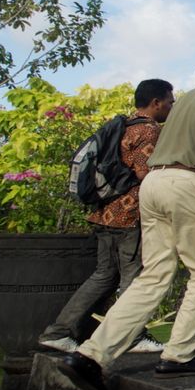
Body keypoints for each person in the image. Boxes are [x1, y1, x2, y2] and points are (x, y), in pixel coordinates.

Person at [58, 41, 195, 390]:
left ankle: (91, 355)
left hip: (153, 185)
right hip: (186, 183)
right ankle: (179, 355)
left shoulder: (186, 100)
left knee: (152, 276)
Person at [39, 79, 176, 355]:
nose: (171, 106)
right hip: (128, 215)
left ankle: (58, 333)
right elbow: (143, 175)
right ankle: (133, 336)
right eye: (170, 102)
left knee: (103, 277)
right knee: (134, 279)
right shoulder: (149, 131)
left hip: (105, 214)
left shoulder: (123, 125)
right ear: (156, 103)